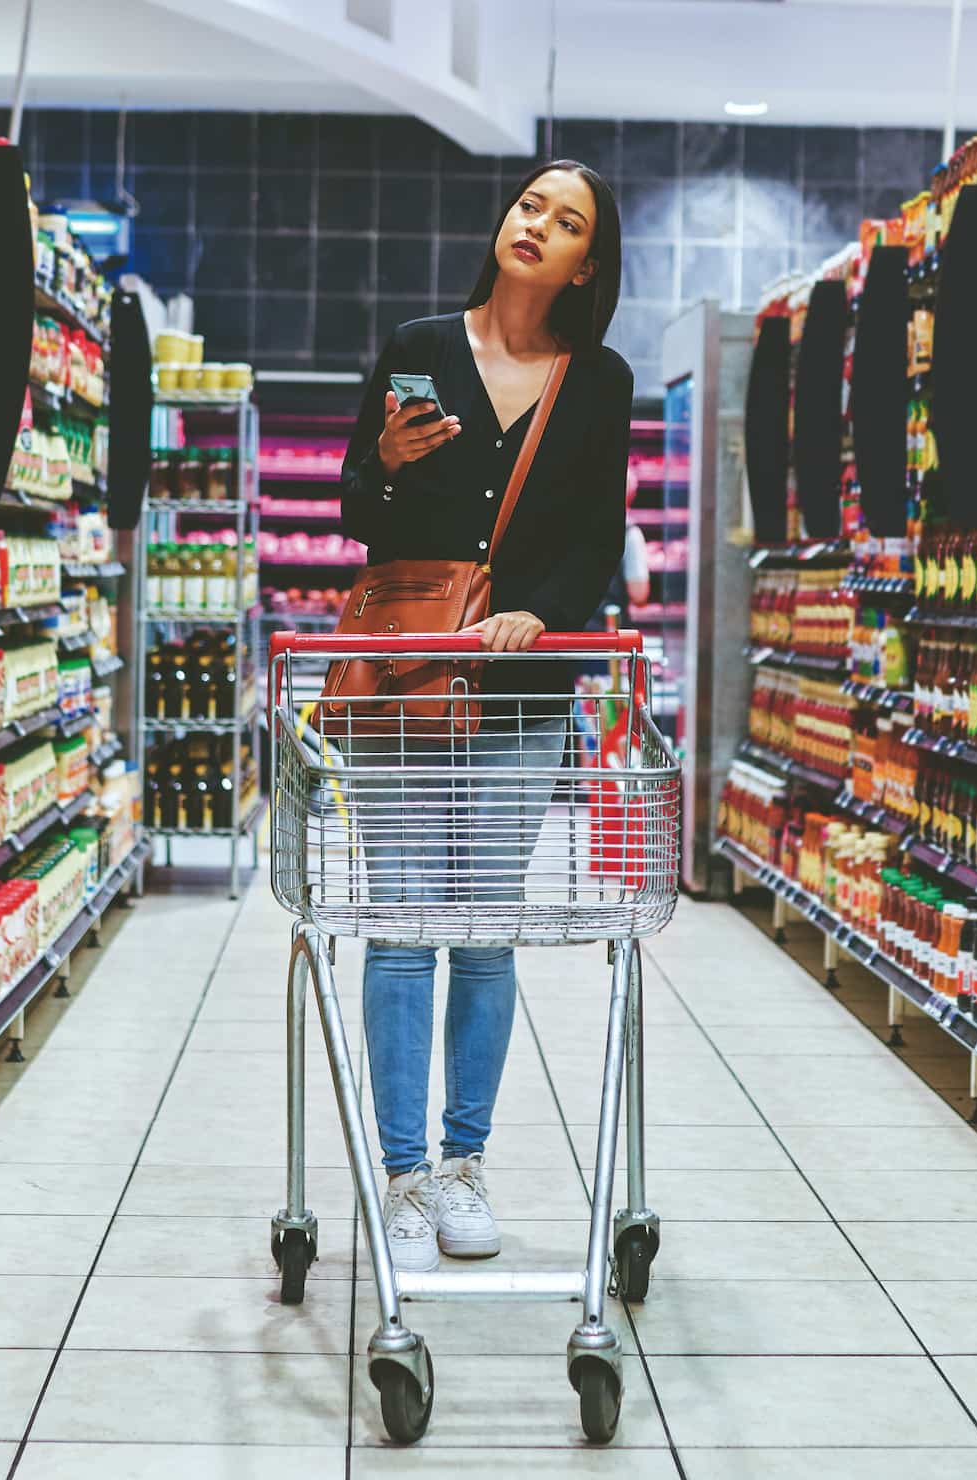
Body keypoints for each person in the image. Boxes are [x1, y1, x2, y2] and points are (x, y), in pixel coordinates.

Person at [337, 159, 632, 1273]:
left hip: (518, 688)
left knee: (486, 927)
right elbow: (359, 513)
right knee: (407, 924)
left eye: (565, 222)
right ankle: (402, 1174)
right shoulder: (416, 345)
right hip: (407, 675)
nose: (537, 227)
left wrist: (538, 613)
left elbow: (596, 536)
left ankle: (465, 1165)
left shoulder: (598, 380)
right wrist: (381, 458)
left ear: (583, 264)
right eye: (528, 206)